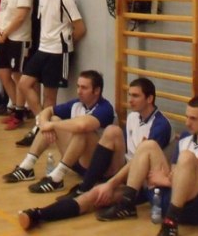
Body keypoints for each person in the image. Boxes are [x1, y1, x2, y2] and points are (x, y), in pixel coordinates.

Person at [46, 95, 198, 236]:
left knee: (187, 157)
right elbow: (174, 171)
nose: (187, 123)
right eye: (187, 117)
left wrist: (166, 181)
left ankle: (170, 225)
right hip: (171, 199)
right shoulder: (185, 138)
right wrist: (112, 184)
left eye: (194, 119)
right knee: (147, 147)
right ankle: (126, 204)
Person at [16, 78, 172, 228]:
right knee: (111, 133)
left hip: (142, 183)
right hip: (125, 171)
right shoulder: (133, 117)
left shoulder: (161, 125)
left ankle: (42, 213)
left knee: (93, 196)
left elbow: (140, 160)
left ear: (149, 98)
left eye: (135, 96)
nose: (130, 100)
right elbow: (126, 152)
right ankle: (38, 212)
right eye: (129, 95)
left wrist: (111, 184)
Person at [2, 70, 115, 194]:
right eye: (78, 86)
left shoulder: (105, 108)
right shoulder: (77, 104)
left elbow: (83, 125)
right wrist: (45, 124)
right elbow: (48, 111)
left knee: (82, 131)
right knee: (53, 118)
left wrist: (52, 125)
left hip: (95, 166)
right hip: (76, 161)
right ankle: (27, 167)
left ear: (97, 90)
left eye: (84, 88)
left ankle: (57, 178)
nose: (79, 91)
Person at [15, 0, 86, 147]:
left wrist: (65, 44)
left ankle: (41, 132)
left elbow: (80, 28)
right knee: (24, 84)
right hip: (42, 49)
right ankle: (42, 124)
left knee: (49, 97)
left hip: (57, 53)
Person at [0, 0, 34, 130]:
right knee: (3, 74)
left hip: (19, 39)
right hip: (4, 38)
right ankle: (16, 107)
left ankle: (19, 113)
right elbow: (2, 14)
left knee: (18, 76)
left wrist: (5, 33)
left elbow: (20, 17)